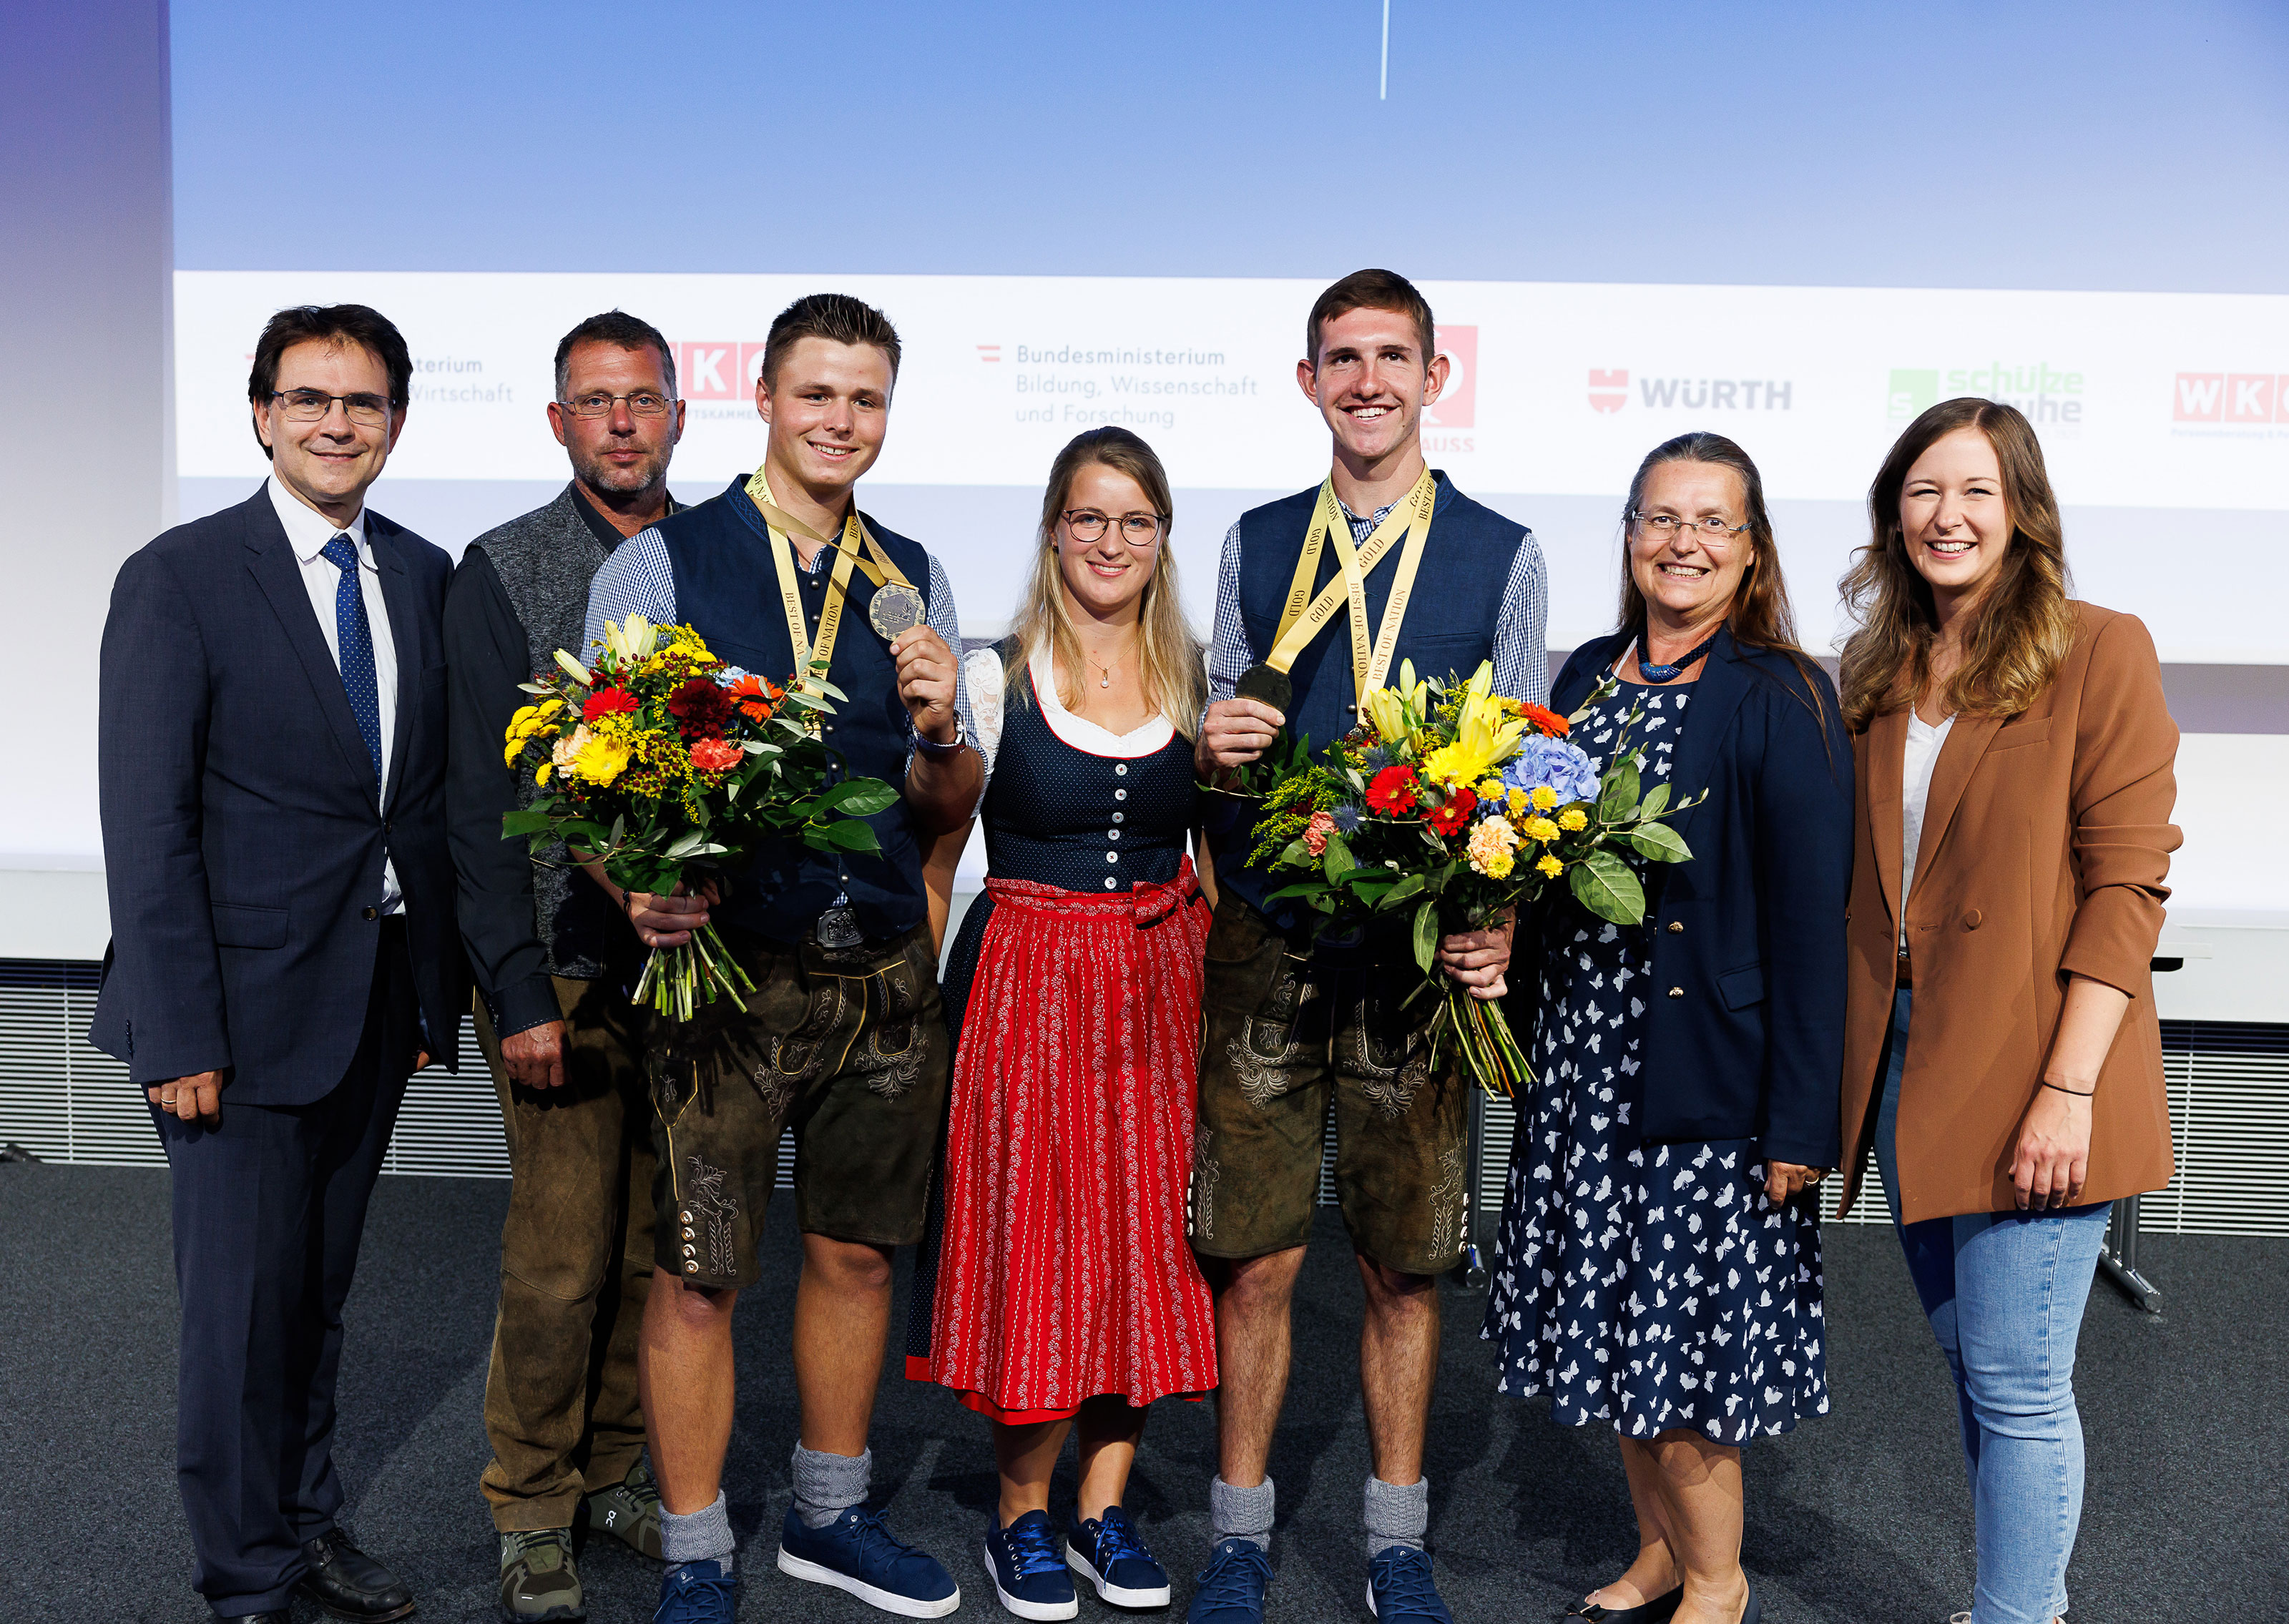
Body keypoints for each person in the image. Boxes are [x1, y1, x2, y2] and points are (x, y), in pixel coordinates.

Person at [581, 292, 982, 1623]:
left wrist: (942, 731)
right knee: (700, 1270)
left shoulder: (911, 578)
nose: (840, 420)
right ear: (763, 398)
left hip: (880, 975)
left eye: (866, 399)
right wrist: (633, 882)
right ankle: (697, 1552)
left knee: (860, 1255)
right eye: (817, 393)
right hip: (732, 974)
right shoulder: (664, 563)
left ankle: (829, 1516)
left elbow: (945, 803)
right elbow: (587, 776)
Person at [91, 304, 466, 1624]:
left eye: (363, 403)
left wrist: (430, 990)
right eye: (309, 399)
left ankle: (306, 1525)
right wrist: (180, 1033)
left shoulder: (423, 574)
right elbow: (146, 826)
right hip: (233, 1024)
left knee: (316, 1300)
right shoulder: (181, 576)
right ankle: (246, 1575)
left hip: (371, 1002)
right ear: (261, 415)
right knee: (239, 1316)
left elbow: (419, 805)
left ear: (397, 422)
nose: (335, 425)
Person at [1187, 268, 1549, 1624]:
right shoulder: (1254, 541)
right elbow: (1219, 754)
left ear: (1435, 377)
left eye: (1393, 357)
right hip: (1270, 946)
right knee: (1256, 1259)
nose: (1368, 381)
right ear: (1309, 381)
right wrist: (1215, 750)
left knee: (1404, 1265)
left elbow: (1524, 775)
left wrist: (1494, 919)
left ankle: (1397, 1543)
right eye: (1342, 359)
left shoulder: (1503, 554)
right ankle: (1238, 1536)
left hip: (1414, 963)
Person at [1482, 433, 1850, 1624]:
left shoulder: (1784, 694)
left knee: (1683, 1358)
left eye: (1713, 522)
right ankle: (1660, 1553)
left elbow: (1814, 927)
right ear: (1632, 535)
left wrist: (1801, 1122)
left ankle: (1719, 1584)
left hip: (1706, 1083)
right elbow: (1543, 860)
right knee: (1617, 1338)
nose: (1683, 542)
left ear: (1752, 552)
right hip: (1583, 1073)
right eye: (1661, 518)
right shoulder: (1592, 672)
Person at [1833, 398, 2179, 1624]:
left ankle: (2017, 1616)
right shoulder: (1876, 670)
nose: (1949, 516)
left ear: (2023, 510)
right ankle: (2019, 1601)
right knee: (1977, 1370)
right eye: (1924, 491)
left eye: (1977, 490)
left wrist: (2068, 1090)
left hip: (2037, 1060)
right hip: (1907, 1060)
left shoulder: (2099, 648)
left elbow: (2127, 884)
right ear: (1894, 515)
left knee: (2021, 1385)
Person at [905, 427, 1216, 1620]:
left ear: (1162, 538)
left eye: (1136, 521)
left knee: (1145, 1242)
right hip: (1029, 978)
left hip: (1159, 982)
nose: (1111, 541)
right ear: (1052, 529)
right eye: (1090, 517)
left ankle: (1104, 1508)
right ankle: (1021, 1516)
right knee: (1035, 1241)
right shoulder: (995, 673)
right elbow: (940, 832)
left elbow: (1214, 854)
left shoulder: (1195, 677)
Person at [444, 310, 689, 1620]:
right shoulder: (503, 568)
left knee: (656, 1249)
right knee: (558, 1257)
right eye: (595, 402)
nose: (621, 423)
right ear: (558, 422)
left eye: (641, 399)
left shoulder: (716, 556)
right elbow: (480, 805)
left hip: (689, 976)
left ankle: (612, 1470)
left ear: (678, 416)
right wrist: (517, 990)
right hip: (564, 972)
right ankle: (530, 1505)